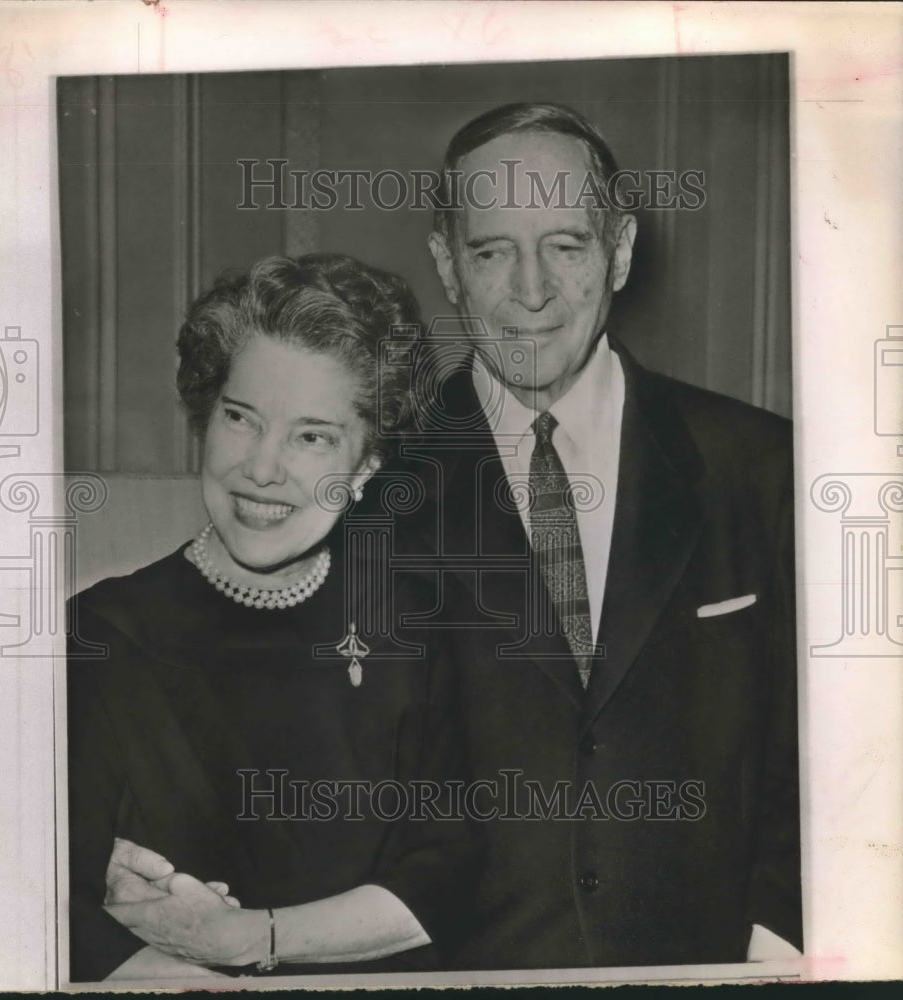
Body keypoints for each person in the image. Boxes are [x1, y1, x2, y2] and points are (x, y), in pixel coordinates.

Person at [405, 102, 801, 968]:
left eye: (566, 245)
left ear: (619, 250)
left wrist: (778, 956)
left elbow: (824, 746)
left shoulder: (763, 467)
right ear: (446, 264)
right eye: (491, 250)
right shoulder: (378, 482)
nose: (532, 291)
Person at [67, 254, 479, 982]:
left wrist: (243, 937)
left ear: (367, 465)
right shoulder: (99, 635)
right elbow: (54, 910)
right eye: (240, 418)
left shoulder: (415, 630)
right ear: (205, 414)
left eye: (312, 436)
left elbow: (448, 876)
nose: (262, 468)